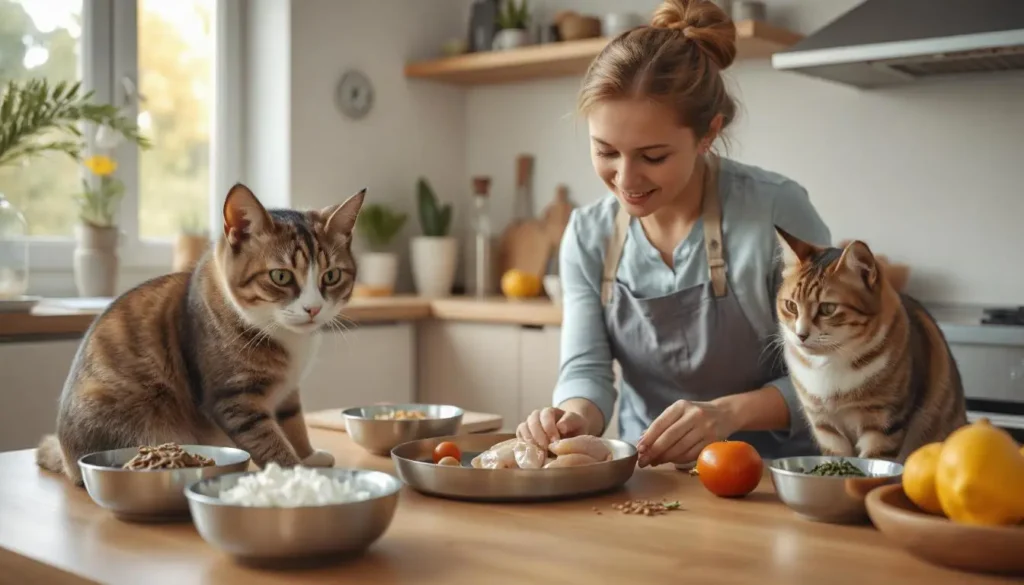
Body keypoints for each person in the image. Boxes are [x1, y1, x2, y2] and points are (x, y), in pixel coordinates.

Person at [515, 0, 832, 468]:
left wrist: (728, 413)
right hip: (649, 479)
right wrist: (572, 418)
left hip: (777, 482)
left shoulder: (775, 211)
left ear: (708, 134)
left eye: (653, 156)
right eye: (606, 151)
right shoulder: (588, 235)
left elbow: (835, 376)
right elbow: (586, 369)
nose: (626, 178)